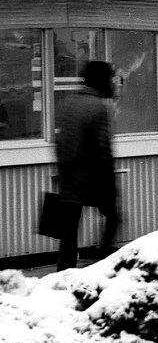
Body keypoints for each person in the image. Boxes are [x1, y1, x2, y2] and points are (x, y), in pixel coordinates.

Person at [52, 59, 121, 271]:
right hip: (92, 179)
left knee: (69, 232)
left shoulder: (68, 102)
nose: (113, 83)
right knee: (113, 217)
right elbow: (102, 150)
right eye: (111, 78)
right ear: (102, 80)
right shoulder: (98, 107)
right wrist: (111, 184)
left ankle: (64, 272)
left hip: (68, 178)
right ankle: (102, 266)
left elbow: (60, 141)